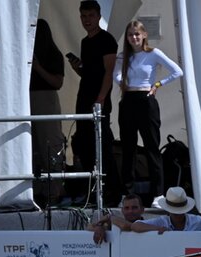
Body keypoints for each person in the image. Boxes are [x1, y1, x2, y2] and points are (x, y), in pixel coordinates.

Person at [114, 21, 183, 203]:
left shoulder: (153, 54)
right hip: (128, 100)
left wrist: (158, 84)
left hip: (146, 101)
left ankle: (158, 194)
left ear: (144, 35)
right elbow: (116, 74)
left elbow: (177, 71)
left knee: (152, 148)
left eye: (137, 34)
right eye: (130, 34)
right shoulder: (123, 56)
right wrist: (122, 82)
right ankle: (126, 194)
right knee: (128, 148)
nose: (134, 38)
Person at [68, 0, 122, 207]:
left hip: (98, 100)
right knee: (83, 144)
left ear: (98, 16)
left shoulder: (106, 39)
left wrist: (100, 98)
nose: (86, 20)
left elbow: (108, 72)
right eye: (83, 16)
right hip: (84, 97)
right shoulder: (85, 41)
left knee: (103, 145)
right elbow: (89, 72)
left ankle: (113, 192)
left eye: (90, 16)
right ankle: (95, 188)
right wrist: (77, 68)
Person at [30, 19, 67, 206]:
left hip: (46, 99)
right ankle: (35, 191)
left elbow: (57, 82)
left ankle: (54, 190)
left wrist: (38, 68)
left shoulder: (53, 55)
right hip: (26, 99)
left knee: (50, 143)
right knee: (31, 146)